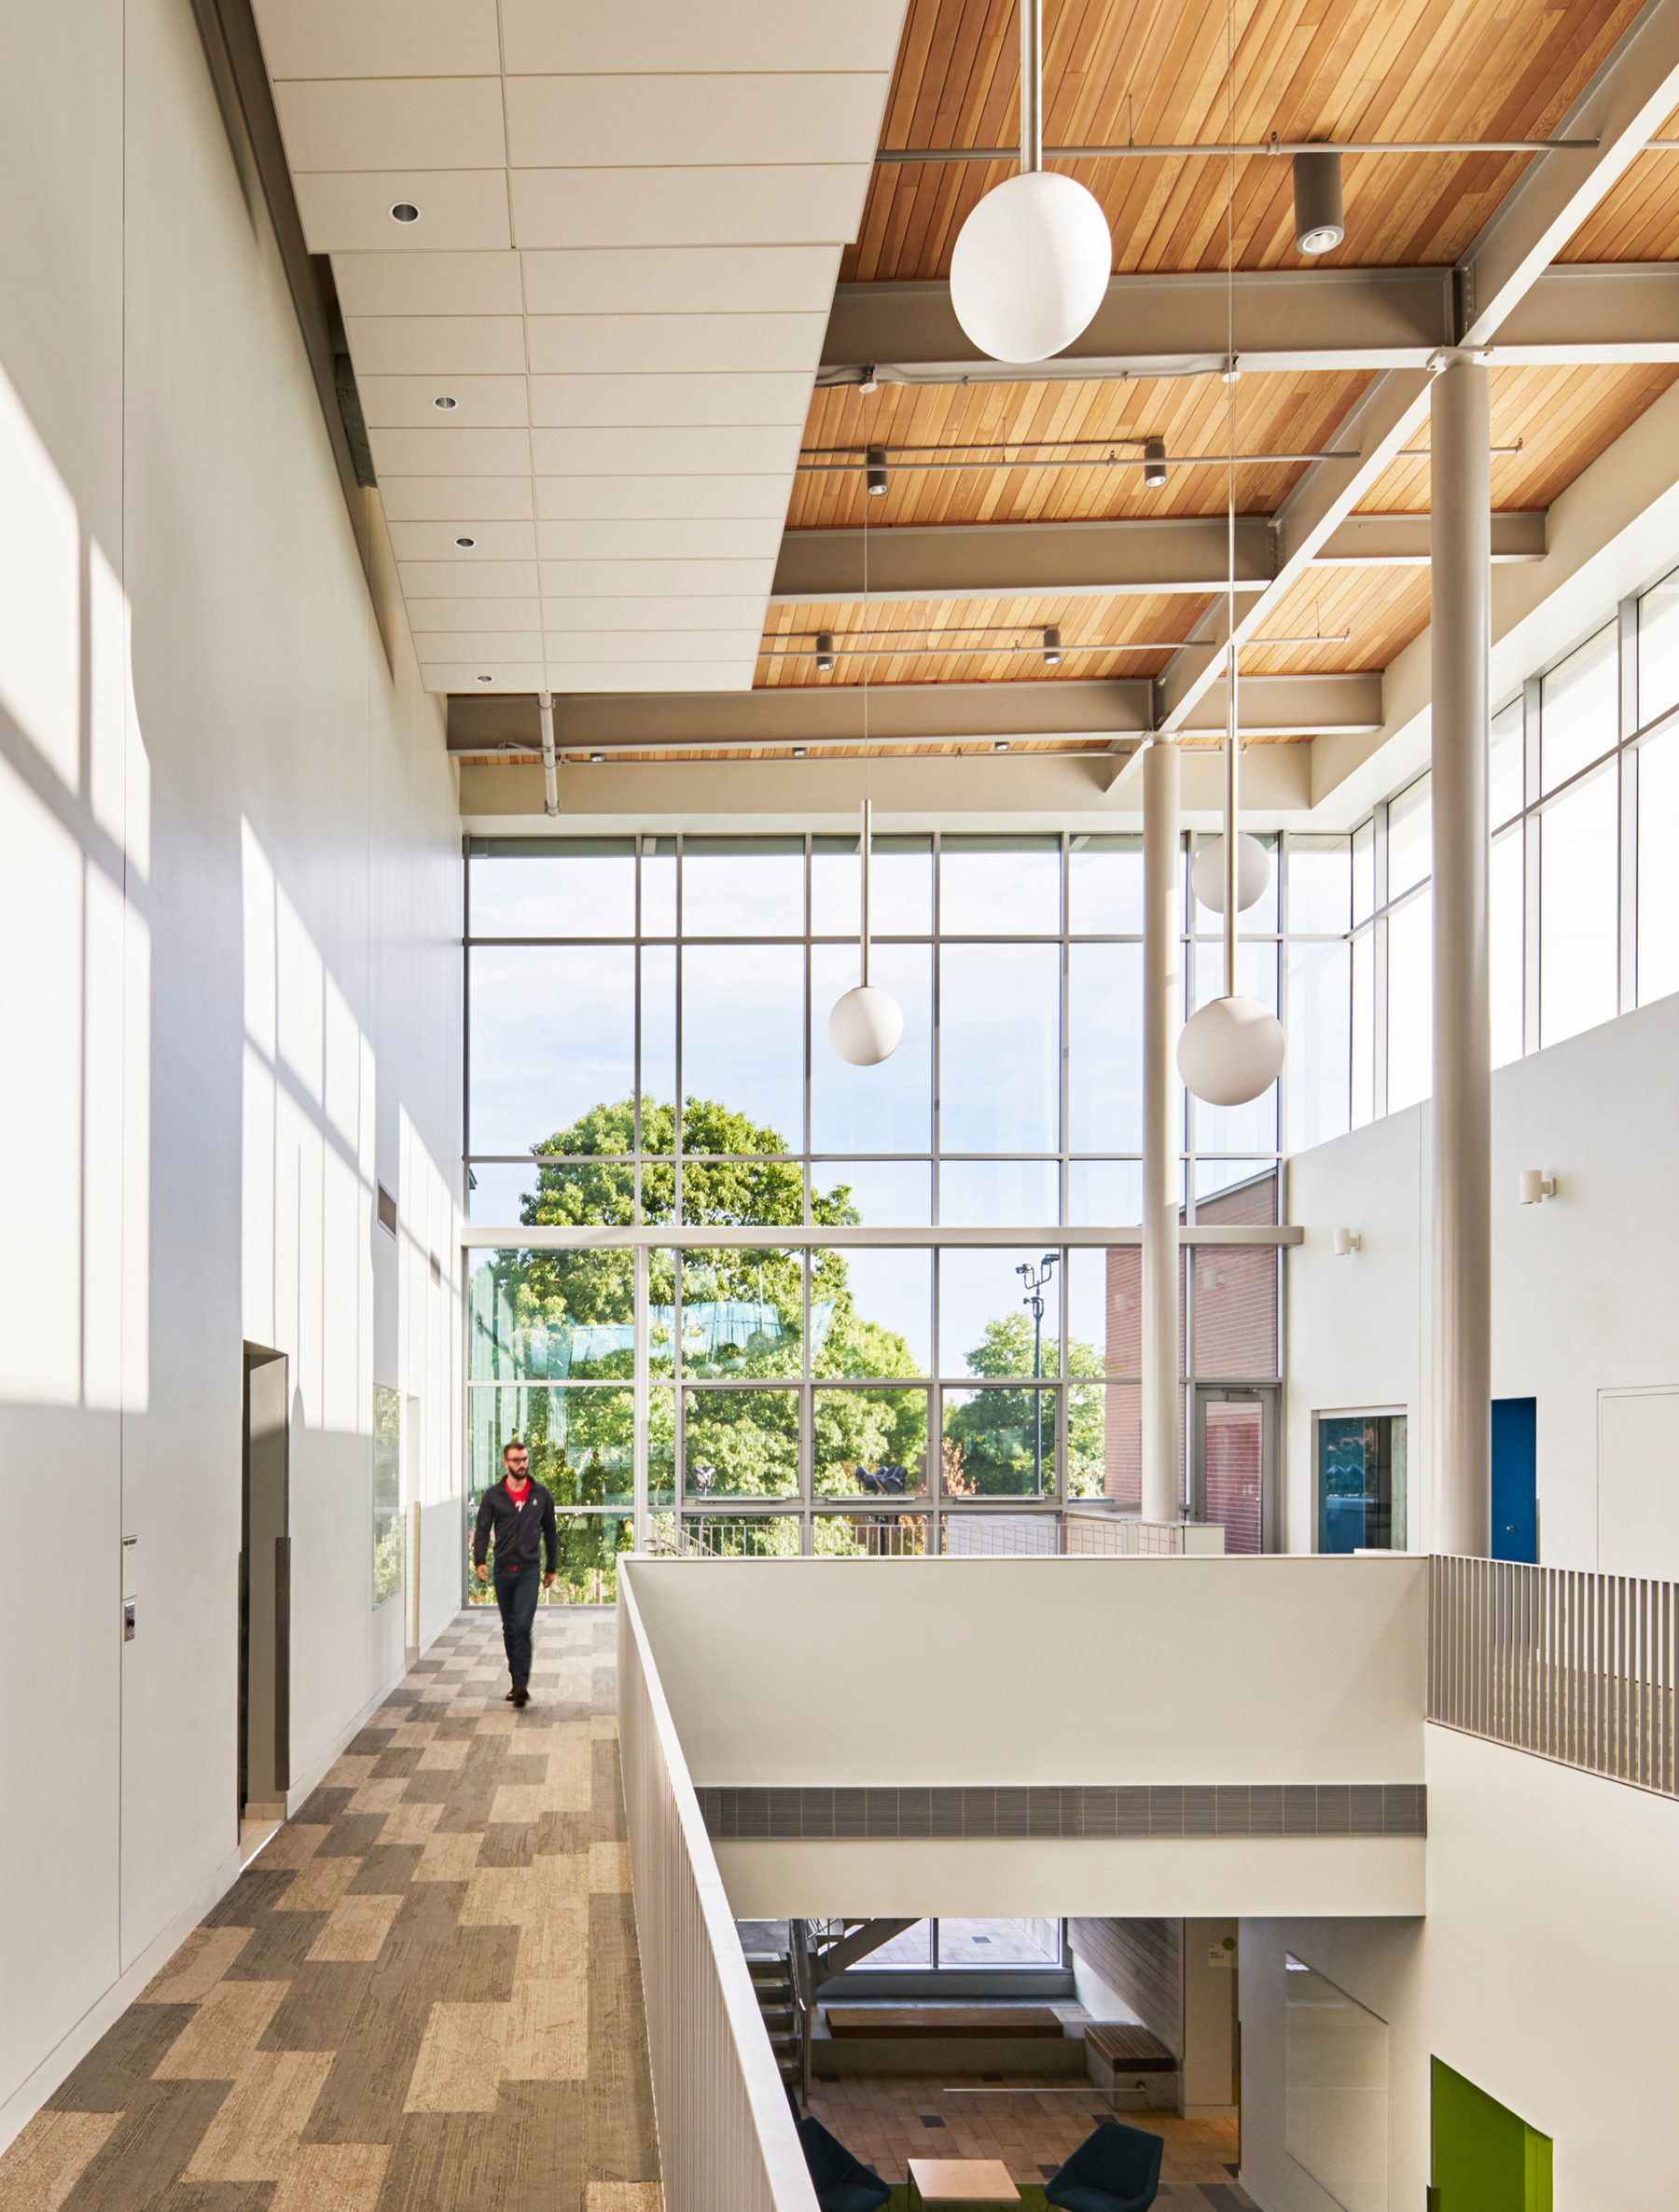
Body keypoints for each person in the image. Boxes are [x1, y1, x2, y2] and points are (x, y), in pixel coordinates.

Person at [473, 1439, 557, 1707]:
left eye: (525, 1459)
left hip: (529, 1572)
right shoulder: (493, 1495)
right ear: (506, 1463)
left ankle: (520, 1684)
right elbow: (483, 1530)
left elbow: (551, 1533)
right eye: (517, 1460)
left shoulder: (540, 1494)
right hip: (503, 1571)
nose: (522, 1464)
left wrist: (551, 1566)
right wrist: (480, 1561)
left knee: (522, 1626)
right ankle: (515, 1681)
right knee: (509, 1628)